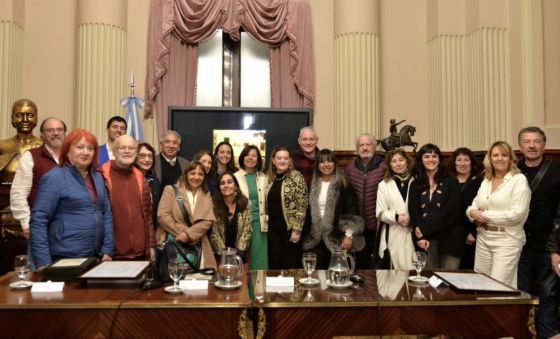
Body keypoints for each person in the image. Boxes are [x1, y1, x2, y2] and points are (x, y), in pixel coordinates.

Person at [29, 128, 114, 270]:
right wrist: (43, 261)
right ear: (67, 150)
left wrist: (108, 249)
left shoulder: (97, 177)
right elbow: (39, 220)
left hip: (95, 256)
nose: (86, 152)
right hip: (64, 257)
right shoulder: (54, 177)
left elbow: (106, 213)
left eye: (90, 148)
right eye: (80, 147)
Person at [467, 141, 531, 288]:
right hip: (483, 238)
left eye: (504, 155)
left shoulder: (518, 180)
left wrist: (484, 216)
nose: (500, 158)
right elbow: (472, 208)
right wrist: (472, 213)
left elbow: (517, 215)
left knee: (499, 288)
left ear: (511, 158)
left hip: (507, 241)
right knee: (481, 286)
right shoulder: (486, 181)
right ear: (489, 158)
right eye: (495, 155)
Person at [516, 127, 560, 338]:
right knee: (519, 294)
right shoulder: (511, 171)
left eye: (536, 141)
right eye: (527, 142)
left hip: (547, 246)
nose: (532, 145)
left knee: (549, 294)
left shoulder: (557, 170)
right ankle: (521, 333)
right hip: (518, 245)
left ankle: (548, 334)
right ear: (520, 146)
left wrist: (556, 249)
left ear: (544, 144)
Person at [302, 149, 364, 269]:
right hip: (314, 239)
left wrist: (349, 235)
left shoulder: (344, 184)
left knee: (334, 276)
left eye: (330, 161)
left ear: (335, 164)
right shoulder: (311, 184)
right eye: (322, 162)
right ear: (317, 165)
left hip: (336, 238)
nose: (326, 165)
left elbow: (351, 210)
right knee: (316, 277)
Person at [11, 118, 67, 240]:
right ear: (42, 135)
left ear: (64, 134)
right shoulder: (31, 156)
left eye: (59, 130)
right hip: (41, 227)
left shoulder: (72, 158)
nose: (56, 133)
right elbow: (18, 194)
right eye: (50, 130)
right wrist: (26, 225)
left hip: (69, 227)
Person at [409, 143, 463, 269]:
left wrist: (423, 229)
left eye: (434, 156)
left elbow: (451, 213)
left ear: (439, 159)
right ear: (421, 160)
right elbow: (414, 212)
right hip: (426, 241)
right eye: (426, 156)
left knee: (449, 280)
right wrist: (420, 236)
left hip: (450, 239)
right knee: (430, 281)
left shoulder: (452, 181)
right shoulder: (415, 184)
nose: (431, 159)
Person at [101, 135, 155, 260]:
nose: (127, 151)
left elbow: (148, 216)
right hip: (112, 255)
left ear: (136, 153)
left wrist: (151, 245)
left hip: (141, 254)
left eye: (131, 148)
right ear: (114, 151)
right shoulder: (102, 176)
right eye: (122, 148)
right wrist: (104, 250)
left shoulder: (141, 178)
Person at [157, 161, 217, 270]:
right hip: (174, 243)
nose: (196, 177)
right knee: (174, 281)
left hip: (200, 247)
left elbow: (208, 221)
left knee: (200, 280)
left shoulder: (206, 193)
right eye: (192, 173)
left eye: (200, 174)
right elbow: (162, 215)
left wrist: (189, 235)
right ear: (186, 174)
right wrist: (183, 233)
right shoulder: (171, 190)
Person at [344, 133, 385, 269]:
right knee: (359, 266)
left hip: (378, 226)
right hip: (357, 228)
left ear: (374, 146)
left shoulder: (383, 168)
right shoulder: (350, 169)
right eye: (361, 145)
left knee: (376, 266)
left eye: (368, 144)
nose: (365, 148)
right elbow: (347, 200)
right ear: (357, 148)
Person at [265, 146, 308, 269]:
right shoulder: (269, 178)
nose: (282, 161)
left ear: (290, 161)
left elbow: (303, 204)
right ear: (273, 160)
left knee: (290, 266)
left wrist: (297, 230)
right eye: (279, 158)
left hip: (290, 231)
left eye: (285, 158)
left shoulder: (296, 176)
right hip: (272, 230)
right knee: (274, 266)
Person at [375, 149, 415, 270]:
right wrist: (397, 217)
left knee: (413, 271)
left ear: (407, 162)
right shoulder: (384, 184)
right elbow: (379, 213)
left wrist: (411, 218)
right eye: (394, 161)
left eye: (401, 160)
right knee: (393, 277)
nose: (398, 164)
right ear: (389, 165)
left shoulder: (417, 181)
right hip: (392, 232)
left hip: (412, 232)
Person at [234, 145, 268, 270]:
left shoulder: (264, 178)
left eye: (254, 155)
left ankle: (257, 289)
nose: (250, 158)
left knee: (259, 261)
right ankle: (242, 289)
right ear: (242, 157)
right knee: (240, 262)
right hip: (241, 225)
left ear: (258, 159)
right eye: (248, 155)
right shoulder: (234, 177)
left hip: (260, 224)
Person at [449, 147, 483, 270]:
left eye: (466, 160)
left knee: (468, 271)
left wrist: (471, 232)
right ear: (454, 162)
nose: (462, 163)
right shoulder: (448, 181)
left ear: (471, 163)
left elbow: (481, 209)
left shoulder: (480, 182)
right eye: (459, 160)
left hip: (471, 236)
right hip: (451, 235)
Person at [209, 172, 252, 263]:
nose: (226, 185)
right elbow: (214, 233)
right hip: (219, 257)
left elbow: (247, 230)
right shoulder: (213, 205)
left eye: (229, 182)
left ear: (235, 186)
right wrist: (224, 255)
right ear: (219, 188)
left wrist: (239, 253)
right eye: (222, 183)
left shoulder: (245, 203)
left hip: (240, 257)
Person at [0, 99, 43, 183]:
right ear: (12, 119)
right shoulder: (2, 146)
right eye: (19, 115)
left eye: (30, 115)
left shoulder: (44, 146)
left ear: (36, 119)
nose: (25, 119)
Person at [134, 142, 161, 231]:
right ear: (135, 157)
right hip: (135, 228)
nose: (147, 159)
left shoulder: (154, 178)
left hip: (152, 228)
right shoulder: (129, 178)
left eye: (150, 156)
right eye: (142, 155)